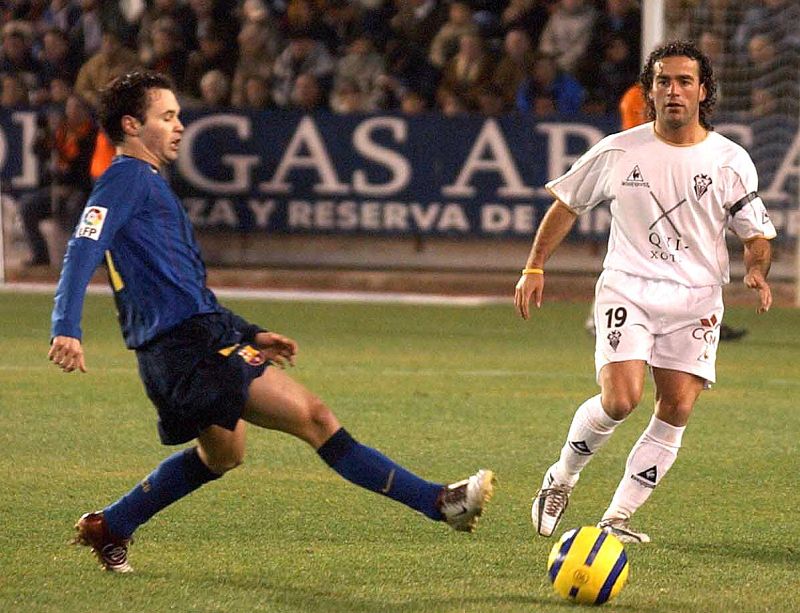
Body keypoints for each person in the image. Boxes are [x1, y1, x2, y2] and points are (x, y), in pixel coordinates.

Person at [49, 71, 495, 573]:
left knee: (223, 456)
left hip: (181, 347)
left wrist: (248, 332)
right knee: (315, 417)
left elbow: (184, 289)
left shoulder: (145, 181)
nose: (178, 126)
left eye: (178, 115)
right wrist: (66, 324)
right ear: (132, 125)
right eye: (167, 116)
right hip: (188, 350)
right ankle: (438, 502)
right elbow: (83, 246)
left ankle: (111, 524)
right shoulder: (126, 178)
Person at [514, 41, 775, 544]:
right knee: (621, 399)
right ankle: (560, 478)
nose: (673, 90)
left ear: (703, 91)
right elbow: (566, 203)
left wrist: (757, 271)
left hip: (697, 298)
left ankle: (616, 519)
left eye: (683, 81)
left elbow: (756, 234)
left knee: (676, 407)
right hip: (628, 289)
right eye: (663, 81)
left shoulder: (729, 160)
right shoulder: (619, 149)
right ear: (649, 92)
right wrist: (534, 266)